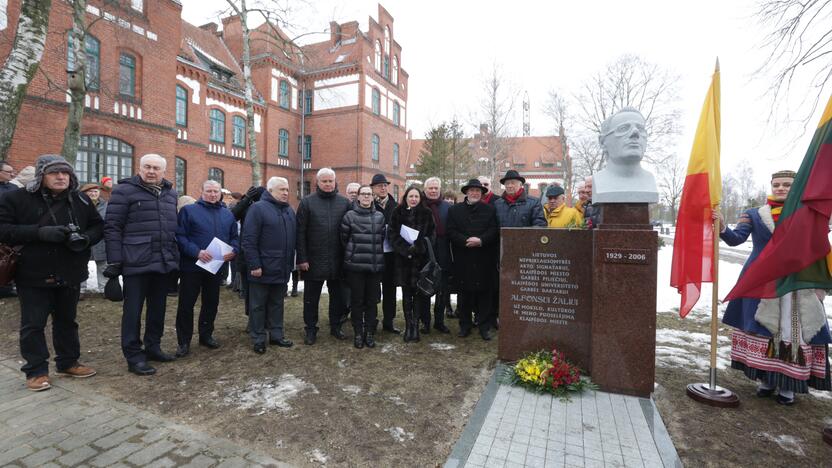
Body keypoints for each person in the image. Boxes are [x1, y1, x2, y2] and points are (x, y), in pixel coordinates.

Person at [715, 170, 831, 405]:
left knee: (791, 331)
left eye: (787, 185)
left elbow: (818, 245)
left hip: (796, 282)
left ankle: (788, 385)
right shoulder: (754, 214)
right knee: (764, 330)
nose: (780, 188)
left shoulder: (807, 214)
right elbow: (736, 238)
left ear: (796, 187)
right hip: (761, 280)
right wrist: (722, 227)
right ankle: (766, 380)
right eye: (776, 184)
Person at [0, 154, 102, 391]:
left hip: (70, 270)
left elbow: (98, 226)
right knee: (33, 324)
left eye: (65, 172)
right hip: (32, 272)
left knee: (67, 321)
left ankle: (68, 362)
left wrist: (86, 238)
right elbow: (3, 229)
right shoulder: (17, 198)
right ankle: (36, 370)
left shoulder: (79, 199)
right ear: (41, 176)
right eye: (54, 172)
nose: (60, 177)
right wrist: (39, 232)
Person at [104, 154, 179, 376]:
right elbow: (112, 227)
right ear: (140, 168)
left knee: (158, 309)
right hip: (135, 260)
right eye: (147, 167)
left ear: (164, 172)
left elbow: (171, 227)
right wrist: (115, 260)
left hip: (163, 261)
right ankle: (134, 356)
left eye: (156, 168)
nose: (151, 171)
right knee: (133, 311)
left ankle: (153, 347)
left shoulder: (170, 194)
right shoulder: (123, 191)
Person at [174, 180, 239, 357]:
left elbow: (235, 237)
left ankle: (206, 335)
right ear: (201, 191)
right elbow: (180, 236)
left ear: (220, 193)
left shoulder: (227, 214)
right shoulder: (189, 211)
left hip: (215, 267)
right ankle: (184, 341)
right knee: (186, 304)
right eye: (209, 191)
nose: (212, 194)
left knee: (211, 303)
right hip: (192, 266)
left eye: (216, 191)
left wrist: (234, 250)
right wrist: (196, 252)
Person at [296, 168, 351, 345]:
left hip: (338, 260)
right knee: (311, 299)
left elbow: (351, 232)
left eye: (330, 181)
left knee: (338, 298)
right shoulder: (306, 203)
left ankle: (336, 326)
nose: (328, 184)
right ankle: (311, 329)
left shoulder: (344, 203)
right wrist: (302, 258)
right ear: (317, 183)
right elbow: (300, 233)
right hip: (313, 260)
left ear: (335, 182)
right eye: (324, 181)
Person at [243, 177, 296, 354]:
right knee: (258, 306)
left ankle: (276, 336)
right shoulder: (257, 209)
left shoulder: (289, 210)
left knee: (277, 303)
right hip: (262, 269)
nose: (286, 193)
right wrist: (254, 265)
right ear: (270, 191)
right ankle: (258, 338)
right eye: (282, 189)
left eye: (287, 189)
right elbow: (249, 240)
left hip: (282, 267)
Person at [447, 179, 499, 340]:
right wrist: (465, 241)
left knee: (484, 296)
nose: (475, 193)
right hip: (464, 258)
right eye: (472, 191)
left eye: (478, 191)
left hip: (484, 258)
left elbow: (494, 230)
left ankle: (484, 327)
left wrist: (481, 240)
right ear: (466, 192)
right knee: (464, 296)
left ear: (482, 194)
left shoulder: (490, 210)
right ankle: (465, 326)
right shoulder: (455, 210)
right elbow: (451, 231)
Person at [340, 185, 385, 349]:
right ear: (358, 197)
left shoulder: (380, 216)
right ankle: (358, 333)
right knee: (357, 301)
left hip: (374, 267)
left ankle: (370, 333)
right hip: (355, 267)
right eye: (363, 194)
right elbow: (344, 240)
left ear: (373, 197)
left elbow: (381, 238)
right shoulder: (349, 216)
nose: (366, 197)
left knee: (372, 302)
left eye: (369, 194)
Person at [390, 185, 436, 342]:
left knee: (418, 294)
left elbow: (431, 234)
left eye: (416, 196)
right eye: (411, 196)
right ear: (406, 197)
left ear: (420, 198)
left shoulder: (427, 213)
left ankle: (415, 326)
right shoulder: (397, 212)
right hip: (403, 261)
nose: (414, 199)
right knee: (406, 294)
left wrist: (418, 247)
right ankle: (408, 326)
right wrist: (404, 249)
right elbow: (392, 234)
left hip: (420, 261)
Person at [592, 107, 658, 204]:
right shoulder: (599, 181)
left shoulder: (650, 180)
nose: (635, 133)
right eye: (623, 128)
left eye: (641, 129)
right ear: (602, 142)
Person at [371, 173, 401, 334]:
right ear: (373, 188)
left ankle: (389, 321)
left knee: (390, 290)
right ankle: (372, 320)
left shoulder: (395, 206)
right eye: (379, 186)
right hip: (374, 254)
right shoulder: (369, 205)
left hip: (391, 255)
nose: (382, 188)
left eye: (384, 185)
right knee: (373, 290)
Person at [231, 185, 267, 314]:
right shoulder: (247, 207)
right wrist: (245, 199)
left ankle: (261, 318)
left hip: (264, 254)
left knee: (262, 291)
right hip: (246, 254)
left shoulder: (269, 207)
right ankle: (251, 318)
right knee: (248, 290)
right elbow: (232, 216)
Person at [423, 177, 451, 333]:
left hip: (443, 253)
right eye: (430, 188)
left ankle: (439, 322)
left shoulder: (447, 207)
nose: (433, 191)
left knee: (442, 290)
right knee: (425, 290)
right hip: (425, 254)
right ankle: (425, 322)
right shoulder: (419, 206)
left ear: (440, 189)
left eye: (436, 188)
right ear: (425, 190)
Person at [80, 183, 108, 293]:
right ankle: (80, 289)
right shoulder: (79, 204)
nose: (93, 193)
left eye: (95, 191)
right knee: (81, 265)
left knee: (102, 266)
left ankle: (104, 289)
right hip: (83, 240)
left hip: (101, 240)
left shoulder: (106, 206)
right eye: (90, 191)